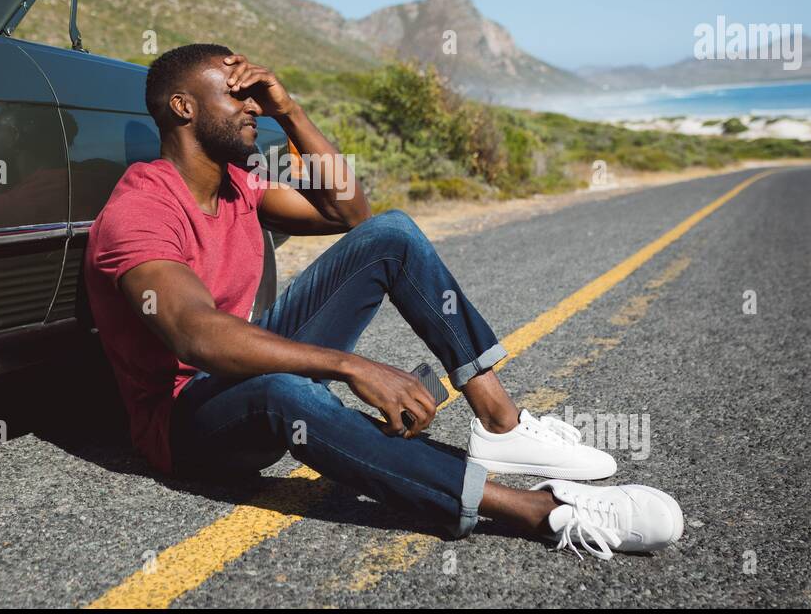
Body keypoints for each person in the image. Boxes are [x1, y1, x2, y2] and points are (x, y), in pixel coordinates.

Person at [84, 43, 683, 560]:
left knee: (390, 234)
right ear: (183, 107)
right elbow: (195, 334)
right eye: (238, 94)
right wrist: (350, 366)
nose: (252, 107)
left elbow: (348, 213)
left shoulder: (239, 185)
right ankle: (543, 513)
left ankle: (501, 423)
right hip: (188, 420)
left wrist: (289, 110)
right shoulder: (141, 208)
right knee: (285, 389)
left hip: (248, 370)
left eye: (256, 94)